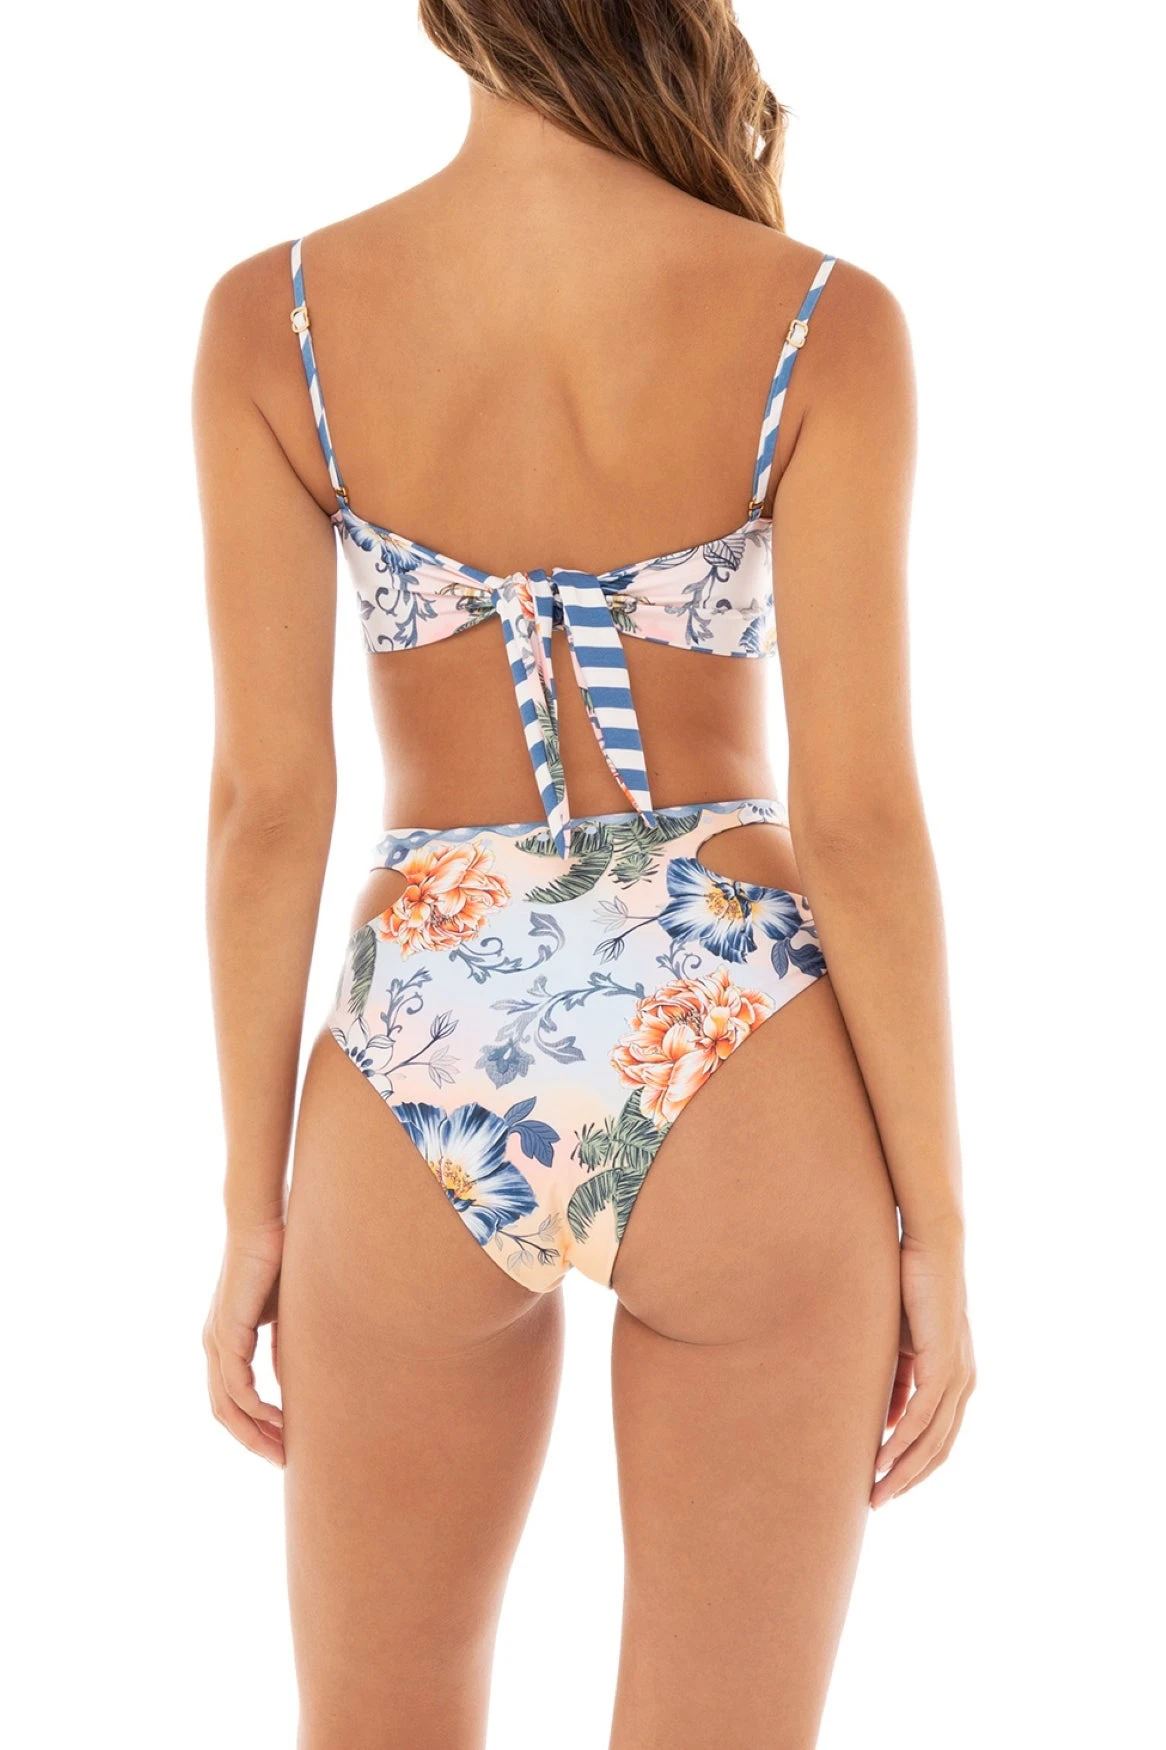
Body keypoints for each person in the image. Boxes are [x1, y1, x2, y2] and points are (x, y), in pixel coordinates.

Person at [194, 3, 975, 1742]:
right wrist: (936, 1226)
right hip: (734, 1018)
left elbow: (266, 801)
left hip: (423, 1023)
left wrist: (257, 1207)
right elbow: (858, 817)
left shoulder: (281, 316)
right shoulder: (819, 319)